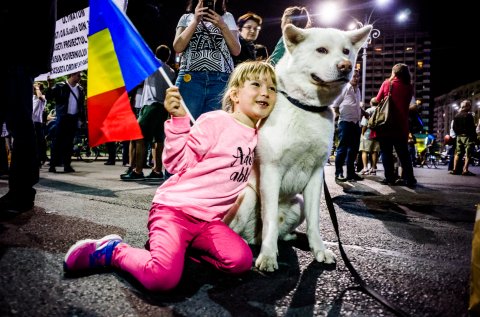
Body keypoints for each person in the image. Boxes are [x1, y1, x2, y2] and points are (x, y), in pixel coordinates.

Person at [64, 61, 277, 292]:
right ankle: (112, 251)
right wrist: (178, 121)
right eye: (256, 84)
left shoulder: (262, 137)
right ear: (234, 94)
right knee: (161, 279)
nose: (265, 92)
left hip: (208, 223)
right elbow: (176, 164)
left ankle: (183, 249)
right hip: (174, 211)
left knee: (240, 262)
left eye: (273, 88)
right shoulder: (216, 121)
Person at [0, 1, 56, 214]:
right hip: (19, 53)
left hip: (17, 52)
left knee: (20, 124)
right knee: (20, 124)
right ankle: (22, 191)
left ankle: (21, 191)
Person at [173, 0, 240, 120]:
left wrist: (222, 25)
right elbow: (178, 47)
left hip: (220, 79)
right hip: (190, 78)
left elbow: (236, 50)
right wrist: (195, 21)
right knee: (185, 122)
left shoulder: (227, 17)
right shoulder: (186, 17)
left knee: (214, 126)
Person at [121, 45, 176, 181]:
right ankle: (157, 170)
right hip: (163, 108)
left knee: (139, 138)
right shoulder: (171, 71)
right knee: (158, 140)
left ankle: (138, 171)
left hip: (150, 105)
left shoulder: (151, 65)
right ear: (168, 57)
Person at [375, 63, 417, 187]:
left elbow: (378, 100)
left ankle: (389, 178)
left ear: (394, 72)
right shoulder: (409, 87)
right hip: (401, 126)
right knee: (404, 154)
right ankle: (409, 179)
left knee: (386, 152)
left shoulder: (387, 84)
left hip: (386, 124)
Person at [47, 71, 86, 173]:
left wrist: (82, 119)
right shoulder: (60, 86)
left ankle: (67, 165)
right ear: (72, 75)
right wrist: (50, 86)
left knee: (69, 143)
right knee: (57, 141)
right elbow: (49, 97)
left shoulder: (80, 89)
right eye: (78, 75)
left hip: (73, 118)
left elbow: (82, 106)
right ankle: (52, 165)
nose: (80, 78)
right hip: (63, 118)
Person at [333, 70, 364, 182]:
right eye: (354, 76)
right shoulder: (344, 88)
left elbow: (355, 105)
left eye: (357, 76)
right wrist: (339, 116)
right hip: (345, 122)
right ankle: (339, 173)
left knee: (354, 150)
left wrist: (363, 112)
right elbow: (335, 105)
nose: (356, 78)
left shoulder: (358, 90)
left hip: (356, 123)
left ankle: (351, 173)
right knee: (343, 148)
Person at [450, 99, 476, 176]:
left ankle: (454, 169)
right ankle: (465, 170)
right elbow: (472, 128)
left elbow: (454, 127)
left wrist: (458, 134)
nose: (470, 106)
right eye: (470, 105)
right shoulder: (469, 116)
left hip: (459, 137)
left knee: (457, 153)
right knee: (468, 153)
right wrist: (474, 137)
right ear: (467, 106)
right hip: (468, 136)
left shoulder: (456, 115)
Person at [359, 97, 381, 175]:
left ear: (371, 103)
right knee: (374, 151)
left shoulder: (369, 110)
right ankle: (373, 168)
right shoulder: (380, 110)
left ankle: (365, 168)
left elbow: (364, 124)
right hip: (378, 134)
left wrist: (362, 133)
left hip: (368, 133)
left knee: (364, 151)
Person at [32, 82, 48, 166]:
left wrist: (37, 88)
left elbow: (40, 97)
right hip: (30, 122)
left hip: (37, 123)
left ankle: (39, 160)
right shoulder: (31, 97)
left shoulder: (42, 98)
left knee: (38, 143)